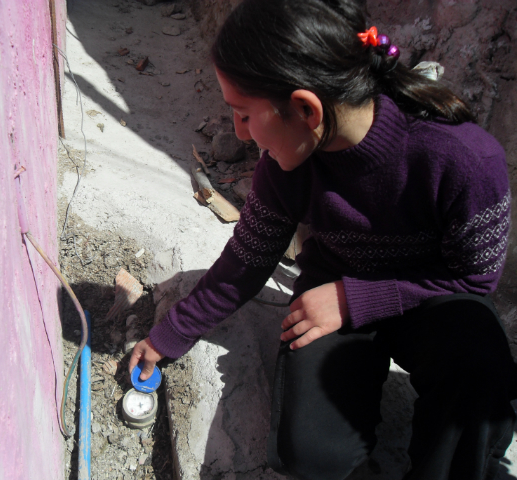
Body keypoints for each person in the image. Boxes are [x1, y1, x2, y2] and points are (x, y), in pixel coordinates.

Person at [129, 0, 516, 478]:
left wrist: (355, 299)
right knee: (311, 456)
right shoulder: (284, 169)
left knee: (477, 373)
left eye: (245, 114)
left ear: (306, 109)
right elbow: (247, 261)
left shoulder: (463, 159)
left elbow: (475, 277)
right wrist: (172, 332)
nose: (240, 133)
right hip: (332, 293)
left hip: (432, 297)